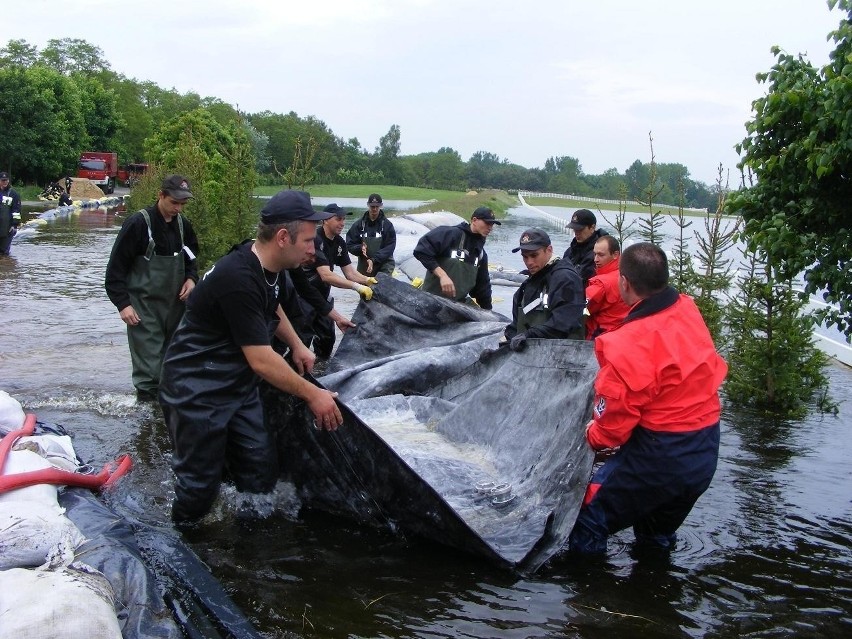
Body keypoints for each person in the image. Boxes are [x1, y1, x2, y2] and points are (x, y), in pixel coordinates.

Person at [159, 190, 343, 525]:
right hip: (195, 388)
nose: (313, 249)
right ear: (283, 238)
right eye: (308, 241)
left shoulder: (268, 265)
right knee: (199, 488)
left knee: (260, 468)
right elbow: (260, 360)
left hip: (237, 383)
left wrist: (297, 345)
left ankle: (248, 540)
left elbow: (271, 305)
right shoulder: (238, 276)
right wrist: (313, 394)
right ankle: (185, 538)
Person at [568, 242, 727, 555]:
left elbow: (612, 426)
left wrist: (593, 433)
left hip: (660, 452)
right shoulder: (686, 308)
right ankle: (652, 593)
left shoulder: (626, 344)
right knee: (655, 536)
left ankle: (585, 596)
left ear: (625, 283)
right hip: (705, 449)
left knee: (588, 518)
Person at [104, 175, 200, 401]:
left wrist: (191, 278)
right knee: (149, 372)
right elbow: (115, 271)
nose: (178, 208)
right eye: (174, 202)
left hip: (175, 306)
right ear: (161, 195)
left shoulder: (184, 226)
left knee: (173, 364)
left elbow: (192, 258)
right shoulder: (138, 224)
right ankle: (146, 419)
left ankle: (165, 414)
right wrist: (123, 305)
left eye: (182, 204)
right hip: (143, 308)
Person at [300, 203, 377, 357]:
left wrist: (368, 280)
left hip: (323, 298)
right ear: (325, 220)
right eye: (338, 219)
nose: (342, 223)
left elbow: (350, 273)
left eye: (343, 219)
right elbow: (326, 275)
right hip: (303, 298)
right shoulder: (314, 240)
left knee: (327, 341)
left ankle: (321, 372)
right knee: (302, 340)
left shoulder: (339, 243)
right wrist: (357, 287)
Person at [501, 228, 585, 351]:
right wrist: (499, 351)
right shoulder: (527, 285)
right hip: (530, 355)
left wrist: (528, 335)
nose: (529, 262)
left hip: (562, 357)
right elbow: (516, 326)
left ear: (549, 250)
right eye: (525, 257)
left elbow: (563, 324)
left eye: (534, 255)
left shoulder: (566, 279)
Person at [413, 206, 499, 309]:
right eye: (487, 223)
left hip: (457, 305)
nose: (490, 227)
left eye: (492, 224)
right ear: (474, 220)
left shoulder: (480, 253)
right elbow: (421, 251)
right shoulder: (450, 234)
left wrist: (488, 311)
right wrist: (443, 276)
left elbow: (482, 287)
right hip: (431, 300)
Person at [585, 235, 630, 338]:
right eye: (595, 254)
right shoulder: (629, 275)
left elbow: (582, 309)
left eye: (601, 255)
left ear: (615, 254)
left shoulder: (600, 283)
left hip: (601, 335)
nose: (596, 259)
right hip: (625, 333)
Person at [345, 193, 396, 276]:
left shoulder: (387, 225)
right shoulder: (358, 225)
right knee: (363, 288)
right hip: (364, 267)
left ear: (381, 206)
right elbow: (349, 244)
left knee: (381, 286)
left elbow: (390, 247)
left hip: (384, 267)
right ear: (368, 205)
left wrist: (374, 259)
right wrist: (360, 248)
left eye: (377, 206)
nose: (375, 209)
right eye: (372, 206)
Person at [564, 208, 608, 287]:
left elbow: (581, 281)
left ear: (592, 228)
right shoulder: (571, 250)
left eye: (580, 229)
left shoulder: (598, 254)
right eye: (574, 229)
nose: (576, 232)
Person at [0, 172, 22, 256]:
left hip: (7, 228)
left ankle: (6, 267)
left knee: (4, 252)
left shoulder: (14, 194)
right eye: (3, 180)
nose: (5, 182)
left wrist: (15, 225)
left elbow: (17, 211)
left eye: (6, 180)